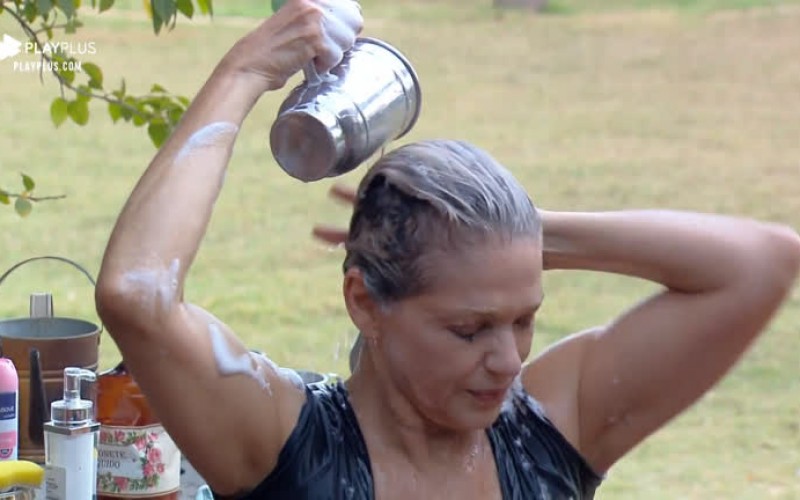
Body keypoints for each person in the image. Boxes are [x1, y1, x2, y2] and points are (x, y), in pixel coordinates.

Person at [94, 0, 800, 498]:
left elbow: (761, 262)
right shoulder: (287, 444)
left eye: (523, 319)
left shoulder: (552, 429)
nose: (509, 359)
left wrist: (522, 234)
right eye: (469, 329)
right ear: (365, 303)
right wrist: (245, 71)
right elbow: (136, 295)